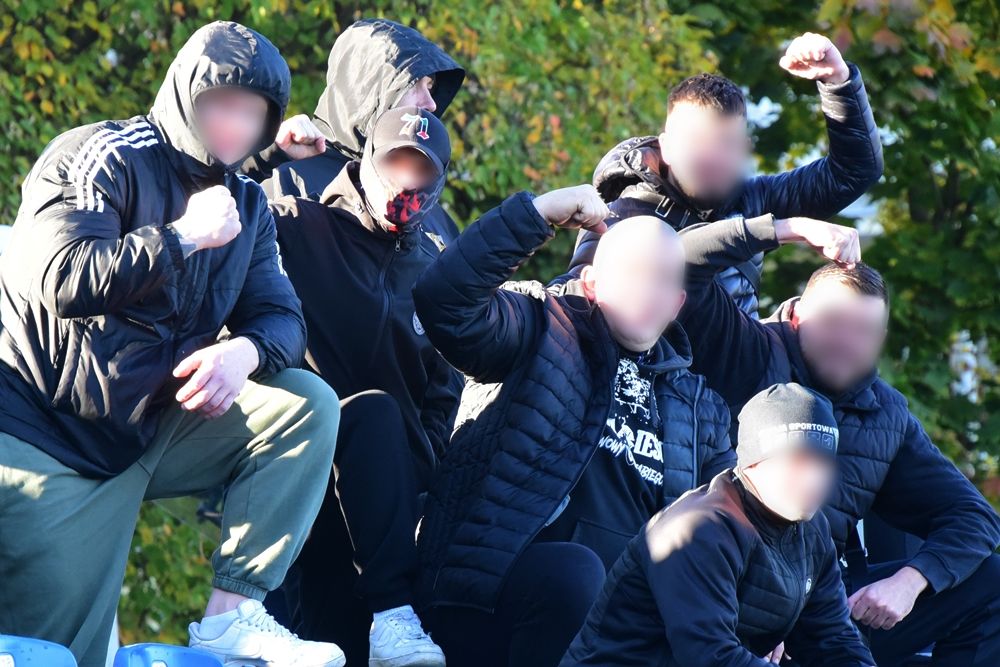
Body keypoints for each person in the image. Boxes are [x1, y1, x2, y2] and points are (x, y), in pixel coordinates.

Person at [0, 21, 346, 667]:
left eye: (252, 112)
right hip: (46, 432)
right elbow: (59, 278)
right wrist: (183, 237)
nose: (234, 125)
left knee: (306, 404)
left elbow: (282, 317)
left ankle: (230, 616)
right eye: (221, 104)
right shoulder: (100, 154)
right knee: (53, 653)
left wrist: (244, 352)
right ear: (185, 97)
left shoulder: (247, 203)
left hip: (152, 427)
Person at [411, 186, 735, 666]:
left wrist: (760, 618)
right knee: (578, 573)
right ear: (591, 282)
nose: (650, 290)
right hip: (500, 593)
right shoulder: (542, 324)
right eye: (634, 272)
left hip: (624, 627)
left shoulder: (701, 406)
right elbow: (444, 302)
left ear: (677, 303)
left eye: (664, 280)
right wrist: (537, 214)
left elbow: (732, 523)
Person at [677, 212, 1000, 665]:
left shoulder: (885, 413)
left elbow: (975, 517)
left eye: (863, 332)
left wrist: (910, 581)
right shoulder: (746, 350)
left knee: (991, 579)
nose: (847, 342)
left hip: (827, 608)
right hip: (723, 590)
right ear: (796, 315)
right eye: (833, 323)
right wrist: (788, 229)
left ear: (881, 338)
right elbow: (679, 260)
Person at [268, 106, 462, 667]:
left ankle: (394, 616)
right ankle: (393, 610)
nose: (406, 181)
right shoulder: (297, 226)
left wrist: (422, 460)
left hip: (394, 510)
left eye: (421, 170)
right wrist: (267, 154)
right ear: (369, 160)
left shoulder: (435, 270)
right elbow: (215, 206)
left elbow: (444, 389)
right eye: (396, 162)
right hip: (304, 477)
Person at [567, 32, 883, 315]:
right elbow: (576, 310)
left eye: (727, 144)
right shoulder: (619, 216)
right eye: (697, 142)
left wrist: (837, 80)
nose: (713, 158)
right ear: (666, 147)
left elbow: (853, 171)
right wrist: (782, 228)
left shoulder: (753, 200)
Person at [562, 383, 875, 667]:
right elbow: (711, 656)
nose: (814, 478)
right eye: (798, 461)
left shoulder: (813, 531)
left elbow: (833, 639)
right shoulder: (697, 530)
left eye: (823, 463)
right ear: (753, 462)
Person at [244, 18, 465, 245]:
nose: (431, 104)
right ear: (369, 86)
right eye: (414, 84)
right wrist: (265, 155)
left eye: (430, 87)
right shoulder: (284, 178)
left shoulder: (435, 217)